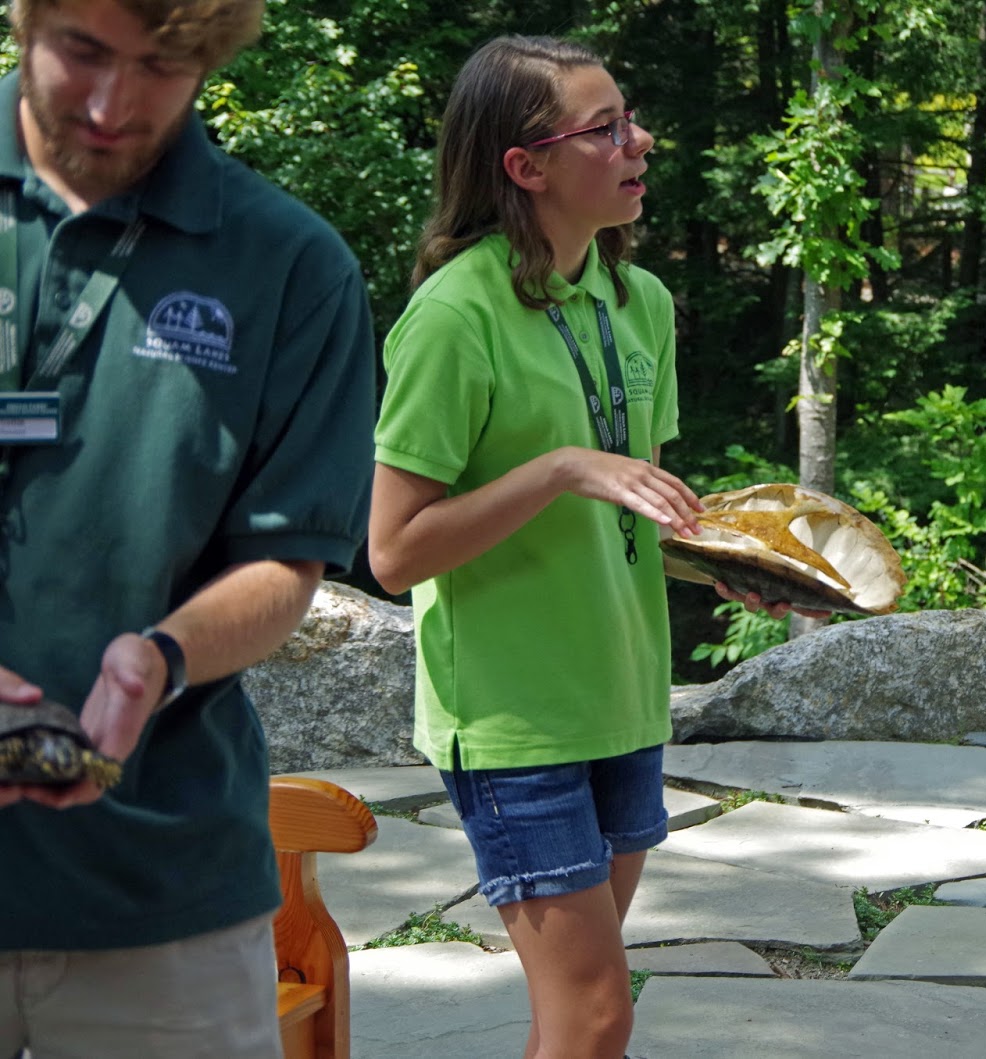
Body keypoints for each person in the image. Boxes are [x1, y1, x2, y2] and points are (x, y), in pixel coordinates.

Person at [0, 0, 376, 1054]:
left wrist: (160, 658)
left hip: (163, 896)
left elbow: (288, 558)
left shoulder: (290, 263)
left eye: (161, 67)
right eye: (82, 52)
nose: (114, 104)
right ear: (26, 19)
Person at [367, 36, 704, 1059]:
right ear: (526, 167)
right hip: (514, 721)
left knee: (582, 1020)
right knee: (596, 1013)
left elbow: (622, 510)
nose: (638, 140)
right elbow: (393, 552)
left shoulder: (639, 301)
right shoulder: (452, 316)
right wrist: (556, 467)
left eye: (629, 115)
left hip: (625, 696)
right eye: (604, 128)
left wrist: (733, 567)